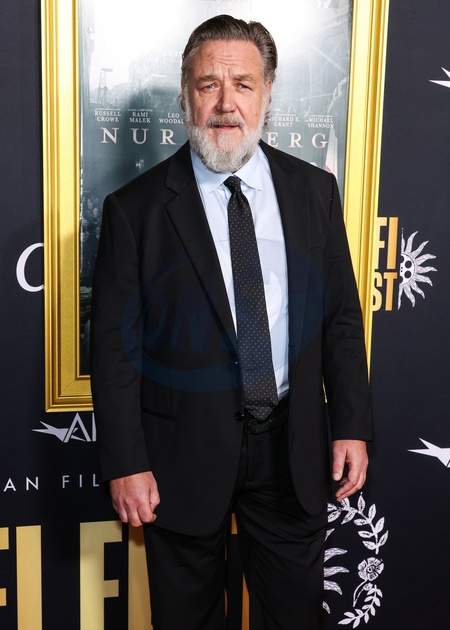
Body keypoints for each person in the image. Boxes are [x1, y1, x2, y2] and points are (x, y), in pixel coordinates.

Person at [90, 14, 371, 630]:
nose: (225, 103)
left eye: (242, 84)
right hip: (179, 457)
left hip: (292, 449)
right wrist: (124, 462)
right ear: (185, 94)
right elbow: (113, 351)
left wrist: (351, 424)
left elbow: (341, 320)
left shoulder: (314, 192)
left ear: (267, 93)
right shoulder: (134, 210)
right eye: (208, 84)